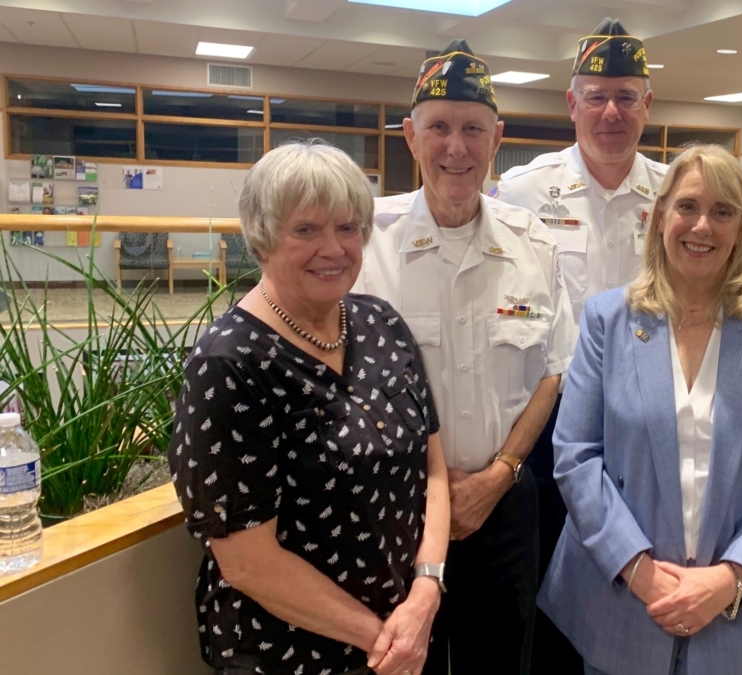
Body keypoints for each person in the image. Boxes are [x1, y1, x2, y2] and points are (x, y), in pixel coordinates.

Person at [539, 145, 742, 675]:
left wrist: (730, 578)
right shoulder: (607, 320)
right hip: (624, 603)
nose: (702, 226)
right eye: (688, 206)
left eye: (722, 212)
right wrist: (639, 570)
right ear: (661, 215)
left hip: (739, 612)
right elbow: (576, 456)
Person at [169, 140, 450, 675]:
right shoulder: (228, 363)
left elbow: (432, 471)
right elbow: (248, 562)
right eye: (306, 230)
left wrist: (427, 590)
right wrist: (388, 641)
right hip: (293, 653)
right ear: (263, 237)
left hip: (409, 629)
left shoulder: (382, 324)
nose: (334, 248)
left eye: (347, 228)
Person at [353, 40, 575, 675]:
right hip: (397, 507)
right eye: (439, 127)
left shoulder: (533, 244)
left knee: (502, 661)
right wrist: (438, 494)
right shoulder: (368, 242)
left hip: (502, 503)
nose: (457, 147)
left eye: (473, 128)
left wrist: (501, 473)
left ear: (497, 136)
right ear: (410, 136)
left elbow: (552, 371)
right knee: (402, 662)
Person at [492, 19, 666, 673]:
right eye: (596, 95)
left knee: (634, 578)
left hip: (646, 421)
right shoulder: (523, 191)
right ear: (573, 103)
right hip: (551, 418)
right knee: (552, 583)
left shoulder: (673, 194)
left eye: (626, 95)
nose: (611, 110)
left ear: (647, 105)